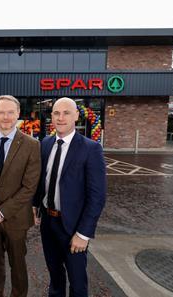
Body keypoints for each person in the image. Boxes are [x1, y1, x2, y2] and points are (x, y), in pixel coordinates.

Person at [33, 97, 106, 297]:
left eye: (66, 113)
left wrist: (83, 234)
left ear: (76, 115)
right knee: (55, 276)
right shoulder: (45, 144)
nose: (61, 117)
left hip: (73, 227)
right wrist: (35, 206)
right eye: (56, 113)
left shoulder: (90, 149)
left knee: (77, 282)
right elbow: (43, 180)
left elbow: (97, 196)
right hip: (48, 222)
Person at [0, 95, 41, 297]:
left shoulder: (31, 145)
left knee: (18, 265)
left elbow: (29, 187)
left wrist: (2, 211)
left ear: (18, 114)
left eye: (10, 112)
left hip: (16, 219)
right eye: (1, 112)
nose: (6, 117)